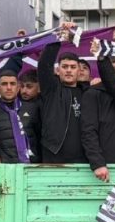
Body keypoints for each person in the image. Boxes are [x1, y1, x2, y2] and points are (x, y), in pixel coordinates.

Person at [37, 25, 88, 163]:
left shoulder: (88, 93)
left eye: (73, 67)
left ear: (79, 71)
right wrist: (59, 35)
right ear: (58, 70)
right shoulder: (51, 89)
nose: (69, 70)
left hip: (84, 158)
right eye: (65, 67)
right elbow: (44, 64)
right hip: (54, 154)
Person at [81, 56, 115, 178]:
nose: (112, 73)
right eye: (110, 69)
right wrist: (97, 163)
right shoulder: (92, 94)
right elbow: (88, 131)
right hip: (106, 166)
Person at [0, 70, 42, 163]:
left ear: (18, 88)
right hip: (6, 167)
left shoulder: (33, 108)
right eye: (4, 84)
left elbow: (41, 137)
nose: (9, 88)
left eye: (12, 84)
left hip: (33, 165)